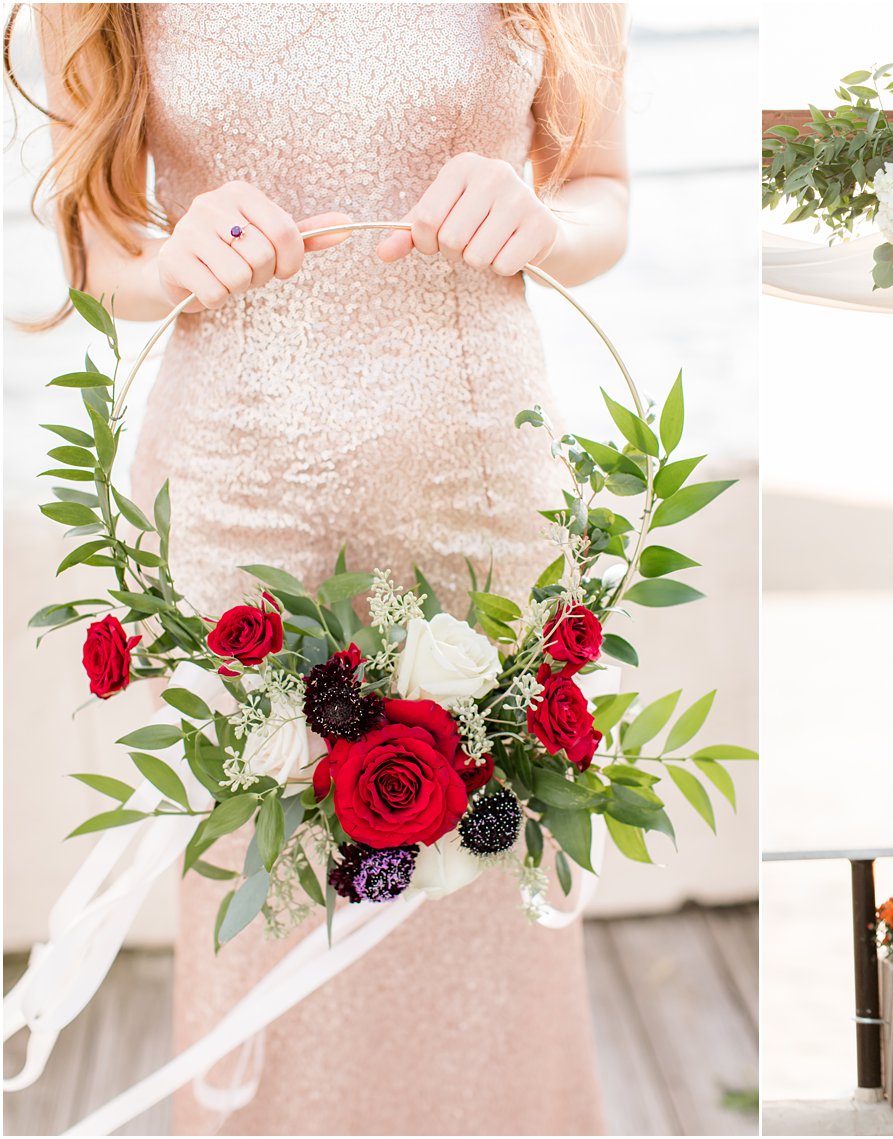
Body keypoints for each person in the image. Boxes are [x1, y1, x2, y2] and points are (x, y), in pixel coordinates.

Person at [11, 4, 628, 1133]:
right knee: (263, 900)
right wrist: (169, 259)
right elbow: (100, 254)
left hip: (475, 485)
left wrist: (540, 218)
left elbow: (604, 193)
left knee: (489, 908)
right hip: (243, 497)